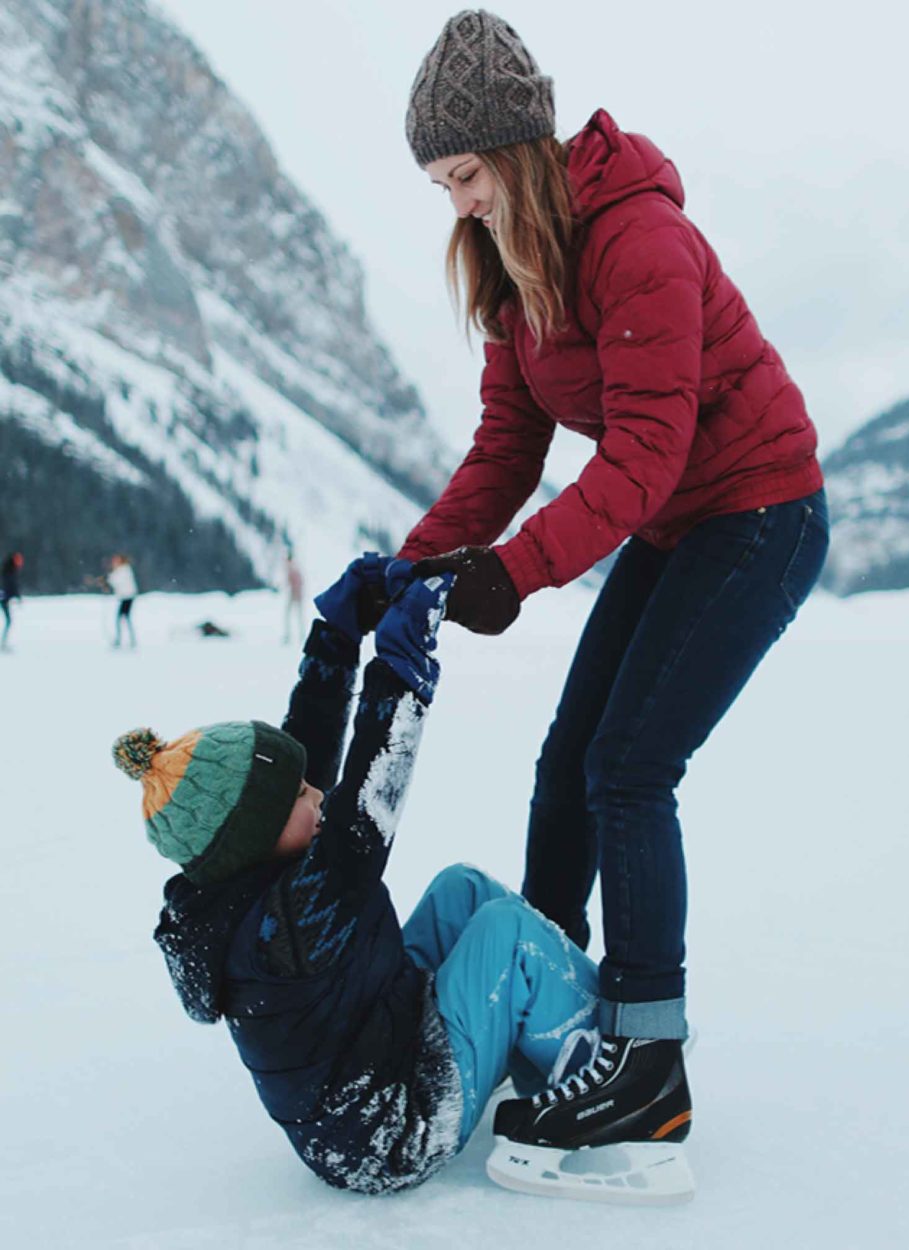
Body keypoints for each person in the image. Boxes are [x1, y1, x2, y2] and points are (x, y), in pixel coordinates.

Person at [387, 9, 830, 1178]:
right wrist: (409, 565)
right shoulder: (509, 263)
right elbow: (504, 450)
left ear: (517, 151)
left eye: (467, 175)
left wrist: (514, 574)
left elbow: (641, 454)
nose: (458, 205)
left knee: (627, 769)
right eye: (440, 183)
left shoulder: (636, 240)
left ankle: (644, 1065)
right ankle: (549, 1001)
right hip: (680, 516)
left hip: (759, 512)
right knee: (565, 759)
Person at [113, 557, 682, 1202]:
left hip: (379, 1037)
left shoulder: (246, 874)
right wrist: (402, 673)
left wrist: (335, 635)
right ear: (258, 834)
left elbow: (305, 756)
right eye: (302, 795)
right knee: (507, 935)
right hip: (393, 1128)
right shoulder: (288, 923)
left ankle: (586, 1025)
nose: (316, 796)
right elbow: (365, 811)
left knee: (460, 890)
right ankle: (626, 1081)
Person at [106, 553, 138, 649]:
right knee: (124, 618)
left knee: (122, 618)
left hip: (127, 597)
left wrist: (107, 579)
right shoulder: (122, 570)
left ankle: (123, 639)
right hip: (126, 597)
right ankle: (129, 639)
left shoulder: (124, 570)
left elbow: (115, 581)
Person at [281, 546, 305, 644]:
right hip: (296, 593)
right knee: (296, 615)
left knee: (291, 614)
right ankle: (298, 634)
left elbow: (295, 582)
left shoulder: (291, 567)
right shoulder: (294, 567)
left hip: (295, 593)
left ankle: (291, 635)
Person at [1, 551, 24, 652]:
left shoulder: (7, 571)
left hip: (4, 597)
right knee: (8, 621)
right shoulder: (8, 572)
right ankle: (3, 643)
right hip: (3, 597)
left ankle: (3, 643)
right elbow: (11, 587)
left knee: (8, 621)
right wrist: (17, 596)